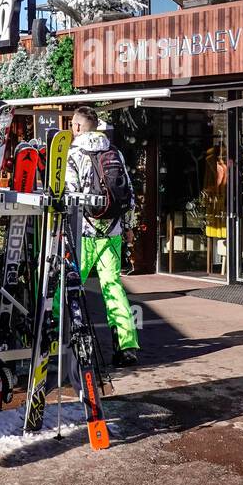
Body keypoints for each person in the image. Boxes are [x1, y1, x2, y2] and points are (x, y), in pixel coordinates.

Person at [65, 106, 139, 366]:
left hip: (83, 232)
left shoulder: (74, 154)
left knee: (70, 283)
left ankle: (57, 336)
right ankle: (126, 346)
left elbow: (70, 196)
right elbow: (128, 193)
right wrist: (128, 226)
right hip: (113, 231)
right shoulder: (114, 151)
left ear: (76, 127)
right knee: (114, 287)